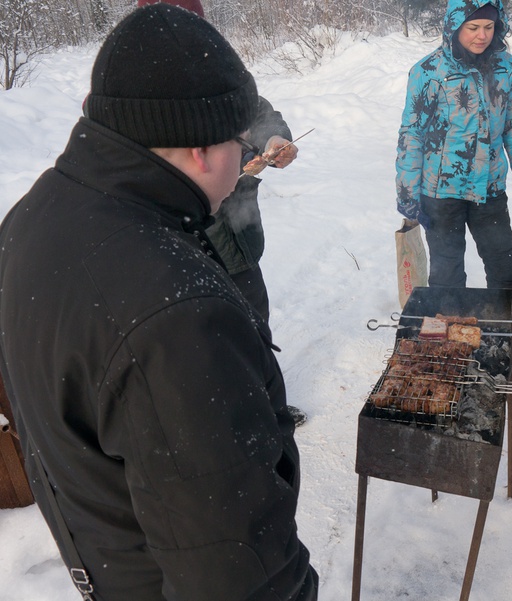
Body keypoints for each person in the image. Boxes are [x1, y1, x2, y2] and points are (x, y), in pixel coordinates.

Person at [0, 5, 317, 600]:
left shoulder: (31, 215)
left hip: (110, 562)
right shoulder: (177, 318)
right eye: (238, 141)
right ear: (202, 149)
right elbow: (237, 574)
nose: (242, 160)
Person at [136, 0, 307, 426]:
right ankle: (223, 425)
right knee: (203, 344)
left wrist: (273, 142)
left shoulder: (219, 73)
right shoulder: (137, 97)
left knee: (256, 328)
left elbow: (260, 114)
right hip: (182, 251)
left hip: (239, 239)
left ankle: (270, 413)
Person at [395, 0, 512, 353]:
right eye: (473, 28)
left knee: (502, 259)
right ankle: (448, 333)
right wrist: (408, 193)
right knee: (447, 268)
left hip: (489, 186)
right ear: (454, 26)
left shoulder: (505, 66)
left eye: (489, 27)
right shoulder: (428, 71)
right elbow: (412, 134)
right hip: (440, 191)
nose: (481, 36)